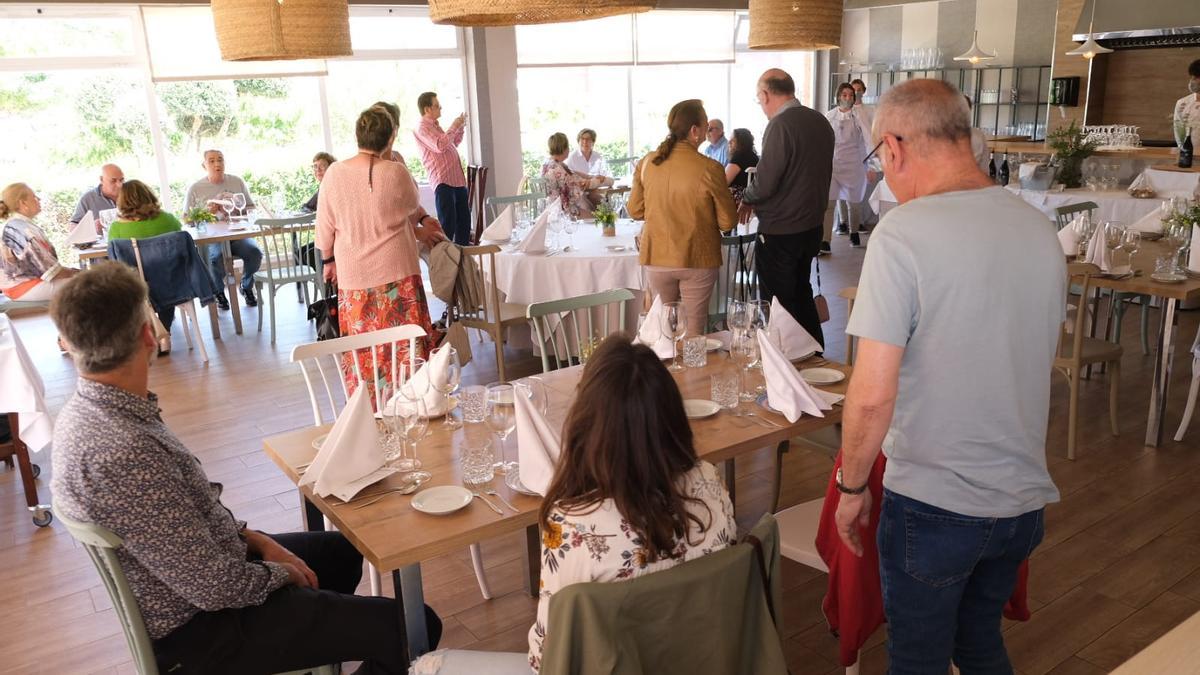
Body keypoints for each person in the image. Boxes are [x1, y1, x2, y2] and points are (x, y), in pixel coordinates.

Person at [48, 262, 441, 674]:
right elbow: (214, 588)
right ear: (149, 335)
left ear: (67, 342)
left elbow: (188, 524)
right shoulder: (124, 452)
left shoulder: (96, 411)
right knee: (414, 626)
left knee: (342, 551)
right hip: (201, 630)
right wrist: (280, 574)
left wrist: (256, 539)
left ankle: (312, 648)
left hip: (204, 578)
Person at [835, 80, 1064, 674]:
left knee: (917, 659)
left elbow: (870, 393)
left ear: (894, 147)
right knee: (979, 642)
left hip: (936, 504)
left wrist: (852, 488)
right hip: (1020, 503)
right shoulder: (1037, 229)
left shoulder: (904, 234)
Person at [407, 336, 736, 674]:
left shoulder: (575, 525)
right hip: (701, 661)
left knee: (427, 667)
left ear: (587, 423)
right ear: (672, 415)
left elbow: (547, 656)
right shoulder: (711, 482)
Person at [318, 106, 445, 404]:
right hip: (398, 275)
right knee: (406, 348)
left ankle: (370, 410)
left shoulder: (334, 173)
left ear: (358, 136)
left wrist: (328, 260)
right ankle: (411, 407)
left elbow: (324, 226)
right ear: (391, 138)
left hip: (354, 280)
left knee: (365, 352)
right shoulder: (395, 172)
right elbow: (412, 203)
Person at [739, 69, 834, 349]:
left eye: (760, 99)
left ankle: (787, 363)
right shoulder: (819, 120)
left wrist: (747, 197)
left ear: (766, 95)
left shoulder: (781, 125)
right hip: (812, 225)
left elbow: (766, 182)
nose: (762, 107)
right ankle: (815, 355)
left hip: (782, 228)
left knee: (778, 302)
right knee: (801, 292)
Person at [628, 99, 737, 336]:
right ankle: (691, 371)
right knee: (694, 335)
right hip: (697, 257)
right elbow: (728, 222)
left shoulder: (647, 162)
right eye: (706, 127)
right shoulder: (710, 168)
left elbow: (635, 210)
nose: (708, 132)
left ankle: (664, 372)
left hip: (656, 256)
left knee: (662, 333)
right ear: (694, 131)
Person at [184, 149, 263, 310]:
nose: (217, 164)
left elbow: (251, 207)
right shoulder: (195, 188)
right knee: (215, 258)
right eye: (211, 161)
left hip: (237, 233)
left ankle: (246, 286)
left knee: (255, 253)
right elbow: (186, 219)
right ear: (204, 165)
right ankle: (219, 291)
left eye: (220, 159)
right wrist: (207, 212)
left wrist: (237, 208)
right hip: (213, 237)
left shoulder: (237, 181)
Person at [1, 183, 76, 301]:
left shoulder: (15, 225)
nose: (38, 199)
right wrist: (80, 273)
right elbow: (52, 272)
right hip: (25, 288)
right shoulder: (20, 229)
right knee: (92, 284)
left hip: (22, 287)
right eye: (34, 197)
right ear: (23, 203)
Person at [414, 91, 471, 246]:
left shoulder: (435, 127)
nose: (441, 108)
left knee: (464, 224)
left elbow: (452, 144)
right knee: (448, 225)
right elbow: (440, 145)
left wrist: (459, 128)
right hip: (443, 181)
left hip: (456, 181)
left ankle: (464, 262)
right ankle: (445, 261)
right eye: (437, 106)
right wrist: (454, 125)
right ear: (427, 109)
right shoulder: (422, 128)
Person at [826, 83, 872, 248]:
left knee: (854, 202)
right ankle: (825, 241)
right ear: (838, 96)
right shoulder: (829, 116)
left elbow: (868, 140)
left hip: (854, 165)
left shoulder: (858, 116)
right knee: (829, 203)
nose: (847, 98)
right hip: (833, 165)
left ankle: (853, 233)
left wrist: (872, 165)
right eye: (844, 95)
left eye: (850, 95)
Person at [542, 132, 603, 218]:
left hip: (552, 207)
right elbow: (578, 185)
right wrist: (595, 181)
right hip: (564, 209)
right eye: (567, 146)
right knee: (598, 215)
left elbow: (573, 173)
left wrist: (590, 177)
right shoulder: (557, 169)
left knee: (595, 201)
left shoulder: (549, 163)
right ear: (563, 148)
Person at [70, 164, 124, 233]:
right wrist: (92, 227)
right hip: (103, 243)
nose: (119, 185)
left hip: (130, 241)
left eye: (121, 180)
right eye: (113, 181)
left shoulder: (132, 194)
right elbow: (73, 226)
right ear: (101, 179)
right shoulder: (88, 198)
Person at [725, 128, 760, 205]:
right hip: (752, 195)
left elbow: (724, 181)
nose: (729, 142)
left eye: (733, 140)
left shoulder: (739, 156)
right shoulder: (754, 156)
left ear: (741, 142)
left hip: (739, 196)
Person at [1173, 59, 1200, 148]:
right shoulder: (1182, 103)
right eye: (1192, 77)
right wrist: (1184, 152)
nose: (1192, 81)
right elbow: (1179, 132)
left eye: (1196, 78)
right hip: (1190, 156)